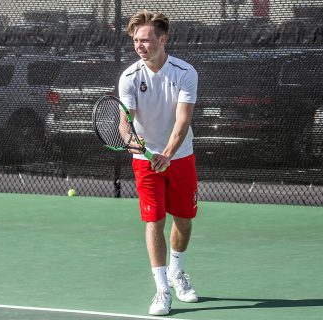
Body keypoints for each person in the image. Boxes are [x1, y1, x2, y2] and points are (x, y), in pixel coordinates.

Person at [118, 9, 199, 316]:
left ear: (162, 40)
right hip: (145, 161)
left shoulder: (185, 72)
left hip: (180, 156)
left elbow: (182, 121)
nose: (141, 45)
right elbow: (125, 124)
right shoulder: (129, 77)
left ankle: (178, 272)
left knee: (183, 218)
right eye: (137, 40)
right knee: (154, 221)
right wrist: (130, 142)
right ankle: (162, 290)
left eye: (147, 39)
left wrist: (167, 153)